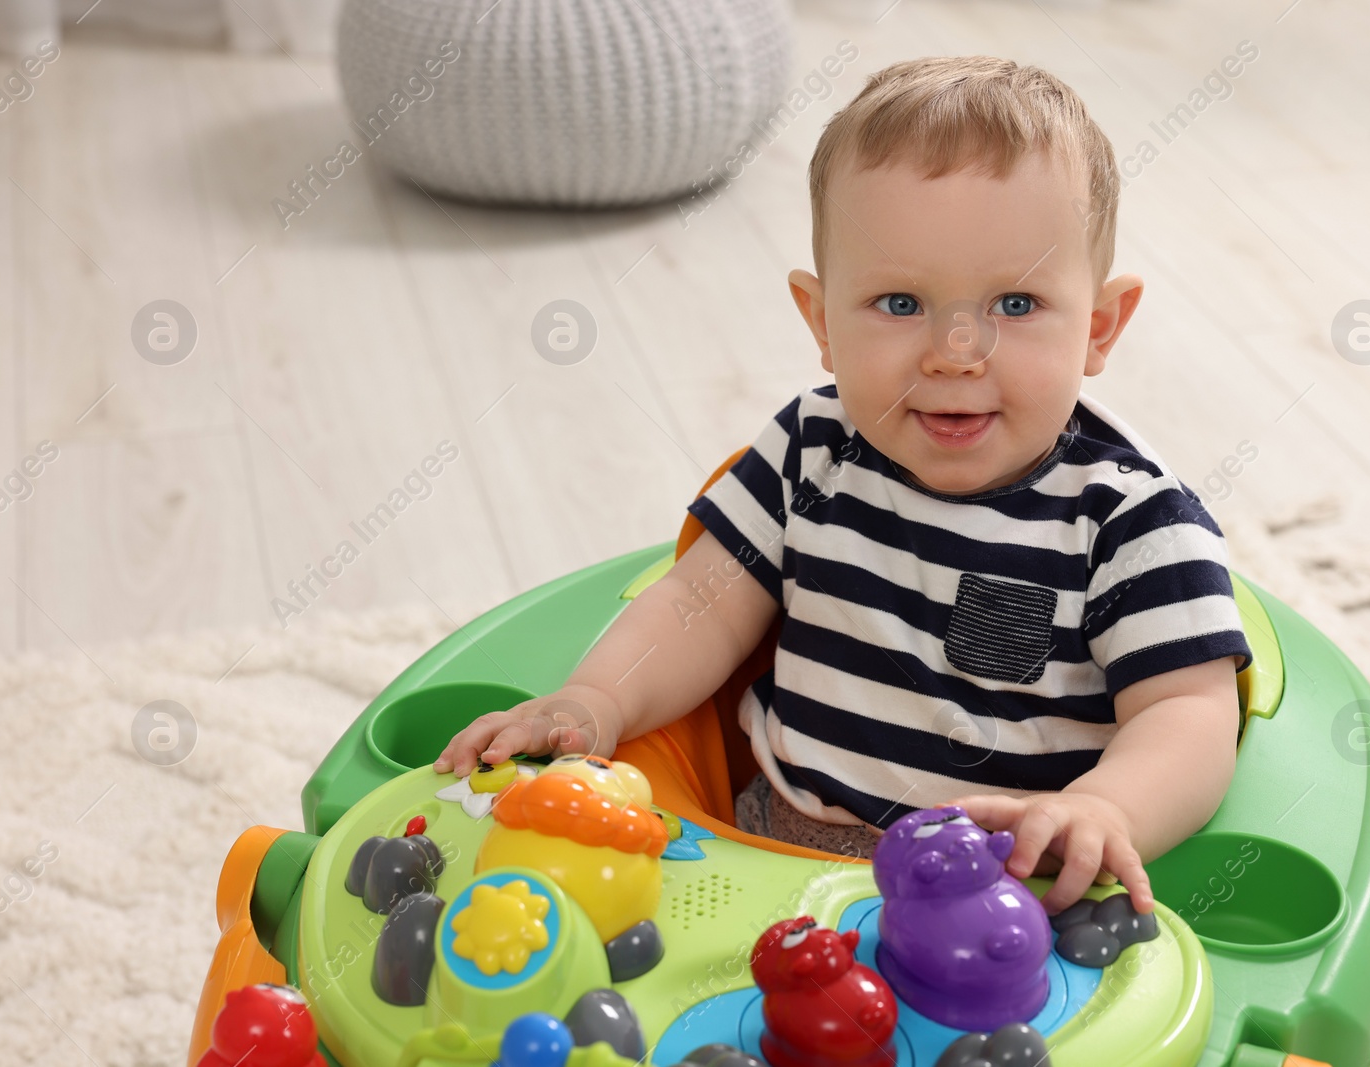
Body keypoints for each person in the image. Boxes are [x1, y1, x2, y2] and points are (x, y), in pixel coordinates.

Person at [436, 56, 1253, 916]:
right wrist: (597, 697)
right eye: (900, 303)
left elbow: (1189, 718)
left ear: (1099, 327)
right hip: (772, 846)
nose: (956, 351)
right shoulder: (810, 449)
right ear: (822, 321)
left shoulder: (1132, 524)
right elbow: (699, 605)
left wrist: (1101, 808)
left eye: (1015, 305)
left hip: (1003, 896)